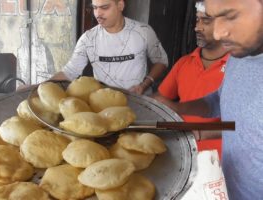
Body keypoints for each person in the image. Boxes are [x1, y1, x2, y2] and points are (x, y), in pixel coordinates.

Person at [154, 0, 263, 199]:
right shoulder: (240, 56)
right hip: (223, 188)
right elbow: (219, 101)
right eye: (214, 18)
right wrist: (179, 107)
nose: (218, 33)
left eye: (230, 16)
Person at [152, 0, 229, 158]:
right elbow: (161, 100)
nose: (197, 27)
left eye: (206, 20)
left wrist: (200, 133)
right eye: (197, 19)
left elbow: (247, 126)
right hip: (184, 155)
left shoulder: (237, 67)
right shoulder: (184, 63)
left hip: (221, 164)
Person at [52, 0, 168, 95]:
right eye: (95, 8)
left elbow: (161, 61)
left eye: (104, 7)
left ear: (120, 5)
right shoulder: (88, 39)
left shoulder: (143, 31)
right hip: (104, 104)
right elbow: (69, 72)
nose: (98, 14)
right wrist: (41, 87)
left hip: (141, 103)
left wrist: (144, 85)